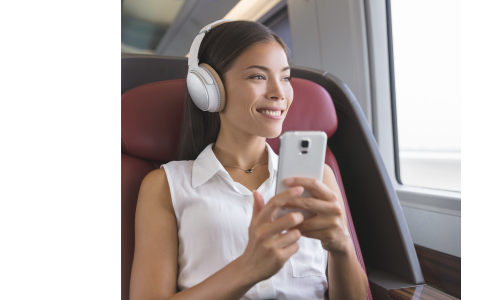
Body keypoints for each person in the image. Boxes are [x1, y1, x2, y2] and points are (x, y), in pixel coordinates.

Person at [129, 20, 368, 300]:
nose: (279, 92)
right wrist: (247, 269)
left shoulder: (318, 176)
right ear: (209, 89)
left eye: (286, 77)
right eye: (258, 76)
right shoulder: (165, 185)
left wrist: (340, 245)